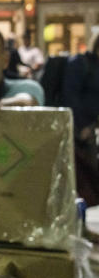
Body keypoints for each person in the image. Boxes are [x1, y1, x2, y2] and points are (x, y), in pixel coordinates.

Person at [61, 30, 99, 205]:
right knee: (79, 174)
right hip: (78, 129)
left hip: (90, 127)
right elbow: (70, 96)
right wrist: (80, 126)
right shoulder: (80, 63)